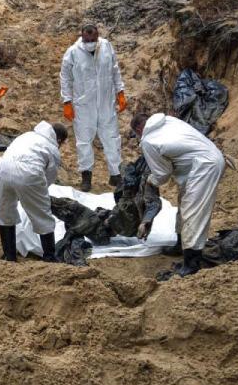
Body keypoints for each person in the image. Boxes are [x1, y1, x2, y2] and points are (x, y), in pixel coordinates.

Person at [131, 113, 225, 277]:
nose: (138, 137)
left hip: (205, 166)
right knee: (183, 204)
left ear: (139, 129)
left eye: (137, 134)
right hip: (203, 160)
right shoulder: (168, 120)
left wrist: (150, 181)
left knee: (192, 212)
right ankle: (181, 244)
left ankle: (191, 262)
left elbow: (163, 174)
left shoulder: (148, 140)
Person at [60, 24, 128, 193]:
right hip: (83, 105)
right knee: (84, 141)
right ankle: (86, 176)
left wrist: (120, 91)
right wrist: (67, 101)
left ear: (98, 36)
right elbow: (65, 78)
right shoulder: (73, 53)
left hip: (106, 102)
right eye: (87, 39)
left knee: (111, 138)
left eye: (93, 39)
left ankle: (115, 174)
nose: (90, 42)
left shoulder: (106, 46)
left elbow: (114, 70)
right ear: (82, 37)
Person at [0, 121, 69, 263]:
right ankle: (49, 257)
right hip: (29, 173)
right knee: (42, 215)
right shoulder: (52, 148)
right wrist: (34, 195)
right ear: (59, 140)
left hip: (1, 169)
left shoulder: (27, 135)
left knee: (4, 212)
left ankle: (9, 256)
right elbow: (48, 178)